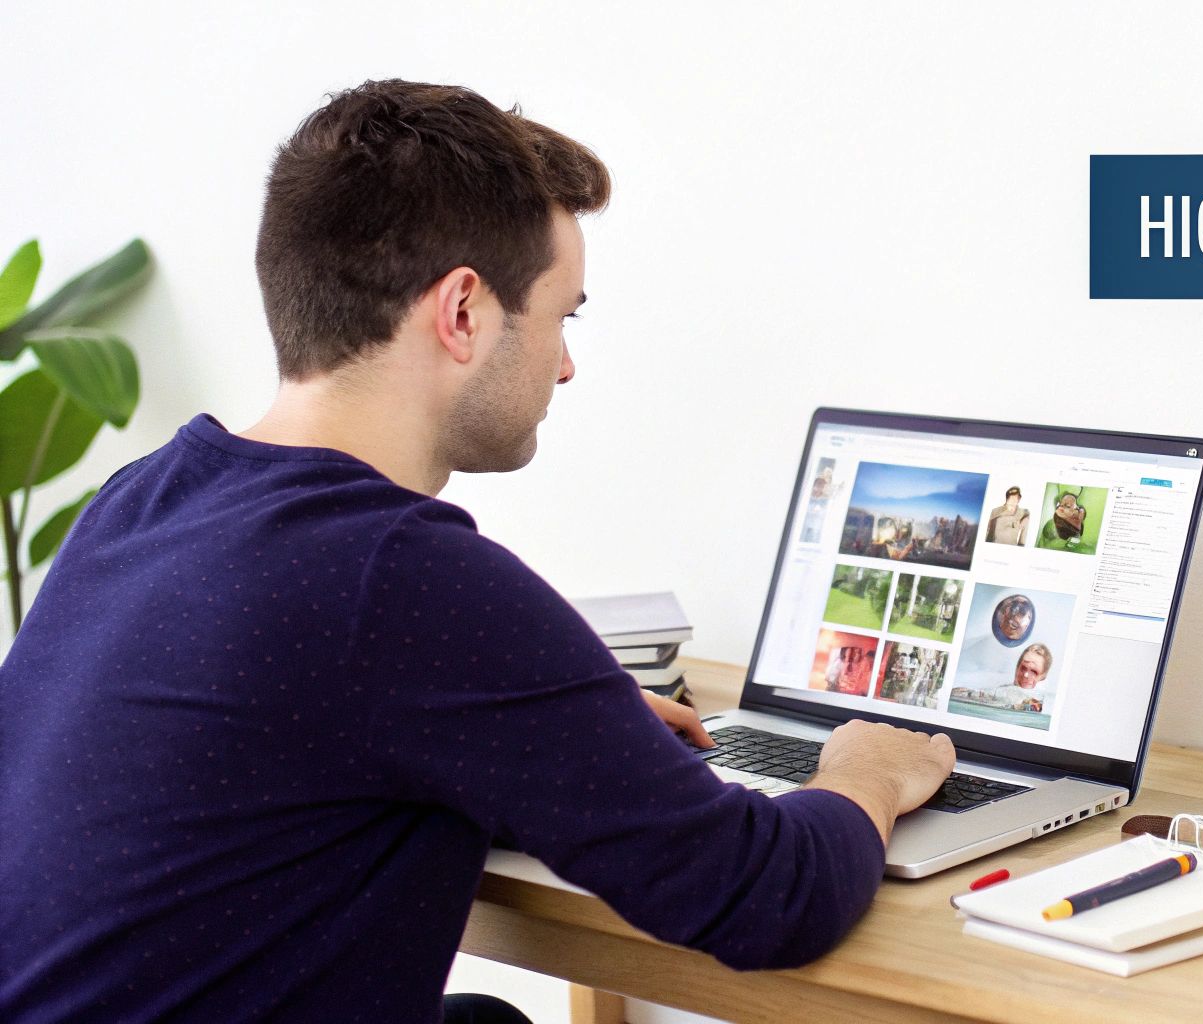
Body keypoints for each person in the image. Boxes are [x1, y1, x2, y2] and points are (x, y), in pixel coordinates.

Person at [0, 80, 954, 1024]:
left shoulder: (143, 500)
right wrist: (864, 771)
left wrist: (551, 737)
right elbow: (763, 896)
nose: (567, 363)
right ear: (463, 312)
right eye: (561, 316)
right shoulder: (401, 575)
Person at [987, 644, 1056, 712]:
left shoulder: (1042, 704)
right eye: (1023, 668)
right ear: (1017, 667)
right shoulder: (998, 691)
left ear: (1043, 677)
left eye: (1034, 672)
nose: (1025, 675)